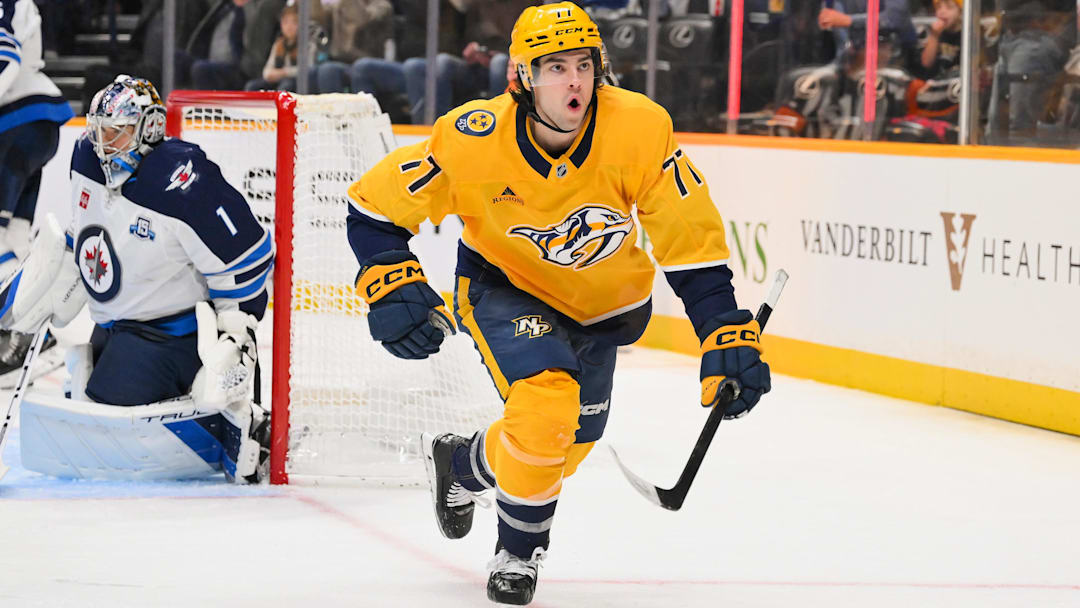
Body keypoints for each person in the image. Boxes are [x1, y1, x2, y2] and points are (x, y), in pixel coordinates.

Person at [345, 3, 770, 604]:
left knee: (561, 449)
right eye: (556, 67)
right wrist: (388, 279)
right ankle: (517, 557)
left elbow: (688, 240)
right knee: (545, 411)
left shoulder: (640, 129)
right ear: (521, 76)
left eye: (585, 64)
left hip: (602, 305)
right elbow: (372, 209)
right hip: (504, 288)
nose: (575, 81)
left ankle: (464, 464)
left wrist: (725, 329)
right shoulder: (472, 140)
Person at [0, 75, 274, 483]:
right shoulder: (87, 160)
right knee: (87, 395)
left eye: (116, 132)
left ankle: (231, 417)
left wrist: (234, 334)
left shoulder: (184, 180)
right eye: (98, 129)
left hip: (169, 335)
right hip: (114, 325)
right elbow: (86, 231)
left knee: (103, 413)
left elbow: (248, 256)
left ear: (149, 128)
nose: (103, 141)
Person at [0, 0, 75, 374]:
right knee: (14, 234)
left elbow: (6, 55)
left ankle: (28, 331)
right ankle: (34, 334)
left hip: (15, 122)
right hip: (34, 123)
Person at [245, 4, 316, 91]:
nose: (289, 26)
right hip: (277, 79)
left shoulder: (308, 45)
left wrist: (284, 72)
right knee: (252, 86)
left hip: (295, 81)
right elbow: (267, 69)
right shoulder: (278, 44)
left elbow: (309, 68)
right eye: (285, 22)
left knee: (286, 86)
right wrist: (271, 74)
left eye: (294, 22)